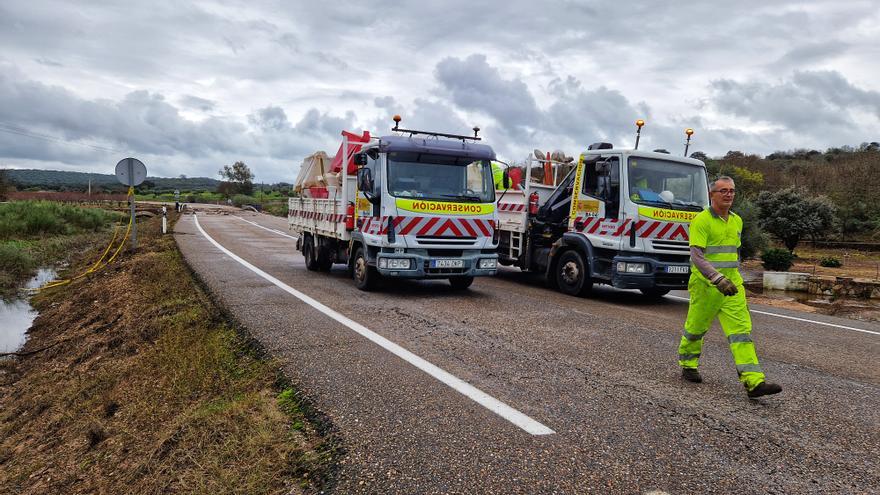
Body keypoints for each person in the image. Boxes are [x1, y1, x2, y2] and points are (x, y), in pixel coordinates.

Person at [677, 176, 782, 398]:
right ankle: (688, 364)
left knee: (741, 332)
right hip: (707, 285)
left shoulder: (737, 220)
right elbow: (697, 256)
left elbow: (734, 253)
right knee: (696, 328)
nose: (729, 194)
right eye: (723, 190)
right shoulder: (701, 221)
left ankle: (754, 382)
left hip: (732, 286)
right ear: (711, 194)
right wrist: (716, 278)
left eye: (732, 191)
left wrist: (731, 279)